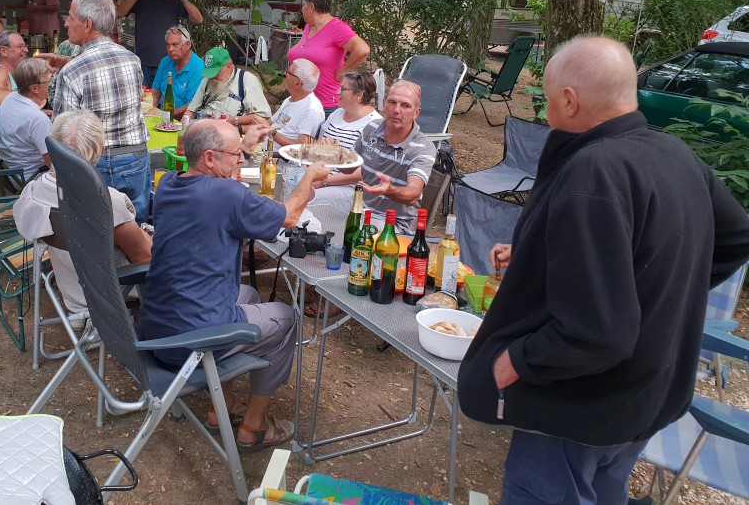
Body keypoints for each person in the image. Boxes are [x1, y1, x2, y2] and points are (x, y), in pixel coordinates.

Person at [458, 36, 749, 505]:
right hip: (642, 394)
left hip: (577, 405)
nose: (548, 109)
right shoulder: (675, 154)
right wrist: (543, 251)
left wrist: (520, 360)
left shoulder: (594, 171)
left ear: (569, 100)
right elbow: (733, 239)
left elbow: (597, 333)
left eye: (549, 99)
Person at [140, 118, 330, 451]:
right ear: (211, 158)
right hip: (190, 339)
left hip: (158, 326)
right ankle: (253, 429)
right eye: (236, 154)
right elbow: (287, 217)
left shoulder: (170, 183)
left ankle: (220, 409)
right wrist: (310, 176)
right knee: (286, 318)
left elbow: (218, 179)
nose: (242, 159)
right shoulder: (226, 194)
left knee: (250, 294)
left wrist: (243, 144)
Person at [13, 110, 152, 316]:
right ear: (101, 150)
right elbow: (145, 258)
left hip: (72, 292)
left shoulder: (34, 189)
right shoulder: (108, 201)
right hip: (113, 295)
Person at [51, 0, 152, 223]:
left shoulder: (73, 71)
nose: (65, 23)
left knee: (97, 235)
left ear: (87, 24)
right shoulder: (132, 60)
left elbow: (63, 134)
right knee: (136, 228)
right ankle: (138, 262)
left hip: (94, 162)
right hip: (135, 156)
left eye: (70, 17)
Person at [321, 80, 436, 235]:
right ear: (384, 104)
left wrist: (391, 190)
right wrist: (337, 156)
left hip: (395, 224)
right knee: (309, 201)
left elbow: (413, 193)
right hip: (362, 208)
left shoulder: (423, 148)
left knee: (348, 232)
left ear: (416, 112)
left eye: (405, 105)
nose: (396, 110)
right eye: (392, 102)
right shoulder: (371, 128)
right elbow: (350, 170)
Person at [287, 0, 369, 117]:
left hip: (325, 104)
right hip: (302, 102)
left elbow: (363, 49)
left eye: (303, 6)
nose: (301, 10)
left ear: (311, 7)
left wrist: (343, 70)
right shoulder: (309, 26)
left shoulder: (337, 28)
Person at [116, 0, 203, 85]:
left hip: (168, 62)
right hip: (143, 62)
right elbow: (120, 12)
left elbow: (198, 19)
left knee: (164, 101)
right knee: (145, 101)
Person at [185, 46, 272, 129]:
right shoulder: (208, 79)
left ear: (229, 66)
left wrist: (234, 120)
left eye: (216, 72)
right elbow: (191, 111)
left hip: (232, 133)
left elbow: (261, 118)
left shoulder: (247, 80)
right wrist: (182, 129)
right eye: (210, 72)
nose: (212, 77)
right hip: (204, 128)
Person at [0, 57, 53, 180]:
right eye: (49, 80)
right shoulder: (38, 120)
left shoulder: (10, 98)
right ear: (34, 88)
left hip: (13, 173)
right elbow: (53, 165)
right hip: (32, 178)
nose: (52, 84)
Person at [266, 58, 324, 147]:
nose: (285, 74)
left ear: (298, 83)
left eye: (288, 72)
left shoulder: (311, 110)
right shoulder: (291, 99)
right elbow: (271, 123)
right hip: (262, 145)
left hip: (274, 156)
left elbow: (301, 148)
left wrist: (271, 132)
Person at [150, 25, 204, 119]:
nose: (170, 49)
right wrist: (151, 110)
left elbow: (192, 105)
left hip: (184, 119)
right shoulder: (165, 61)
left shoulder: (198, 67)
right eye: (167, 45)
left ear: (187, 45)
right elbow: (155, 92)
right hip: (161, 115)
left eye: (175, 45)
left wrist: (165, 115)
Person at [317, 71, 382, 149]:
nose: (337, 92)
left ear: (359, 95)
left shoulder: (374, 125)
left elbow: (368, 159)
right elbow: (317, 144)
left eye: (342, 89)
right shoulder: (336, 114)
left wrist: (333, 153)